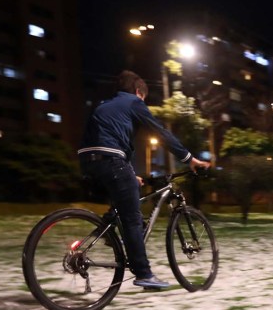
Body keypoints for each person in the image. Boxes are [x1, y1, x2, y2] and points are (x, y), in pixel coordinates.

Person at [79, 70, 210, 289]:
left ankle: (108, 231)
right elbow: (160, 132)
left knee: (123, 200)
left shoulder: (104, 105)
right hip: (111, 160)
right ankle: (144, 273)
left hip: (88, 161)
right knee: (132, 219)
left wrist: (129, 173)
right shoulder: (133, 102)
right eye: (144, 99)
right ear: (139, 92)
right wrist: (189, 159)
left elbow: (111, 140)